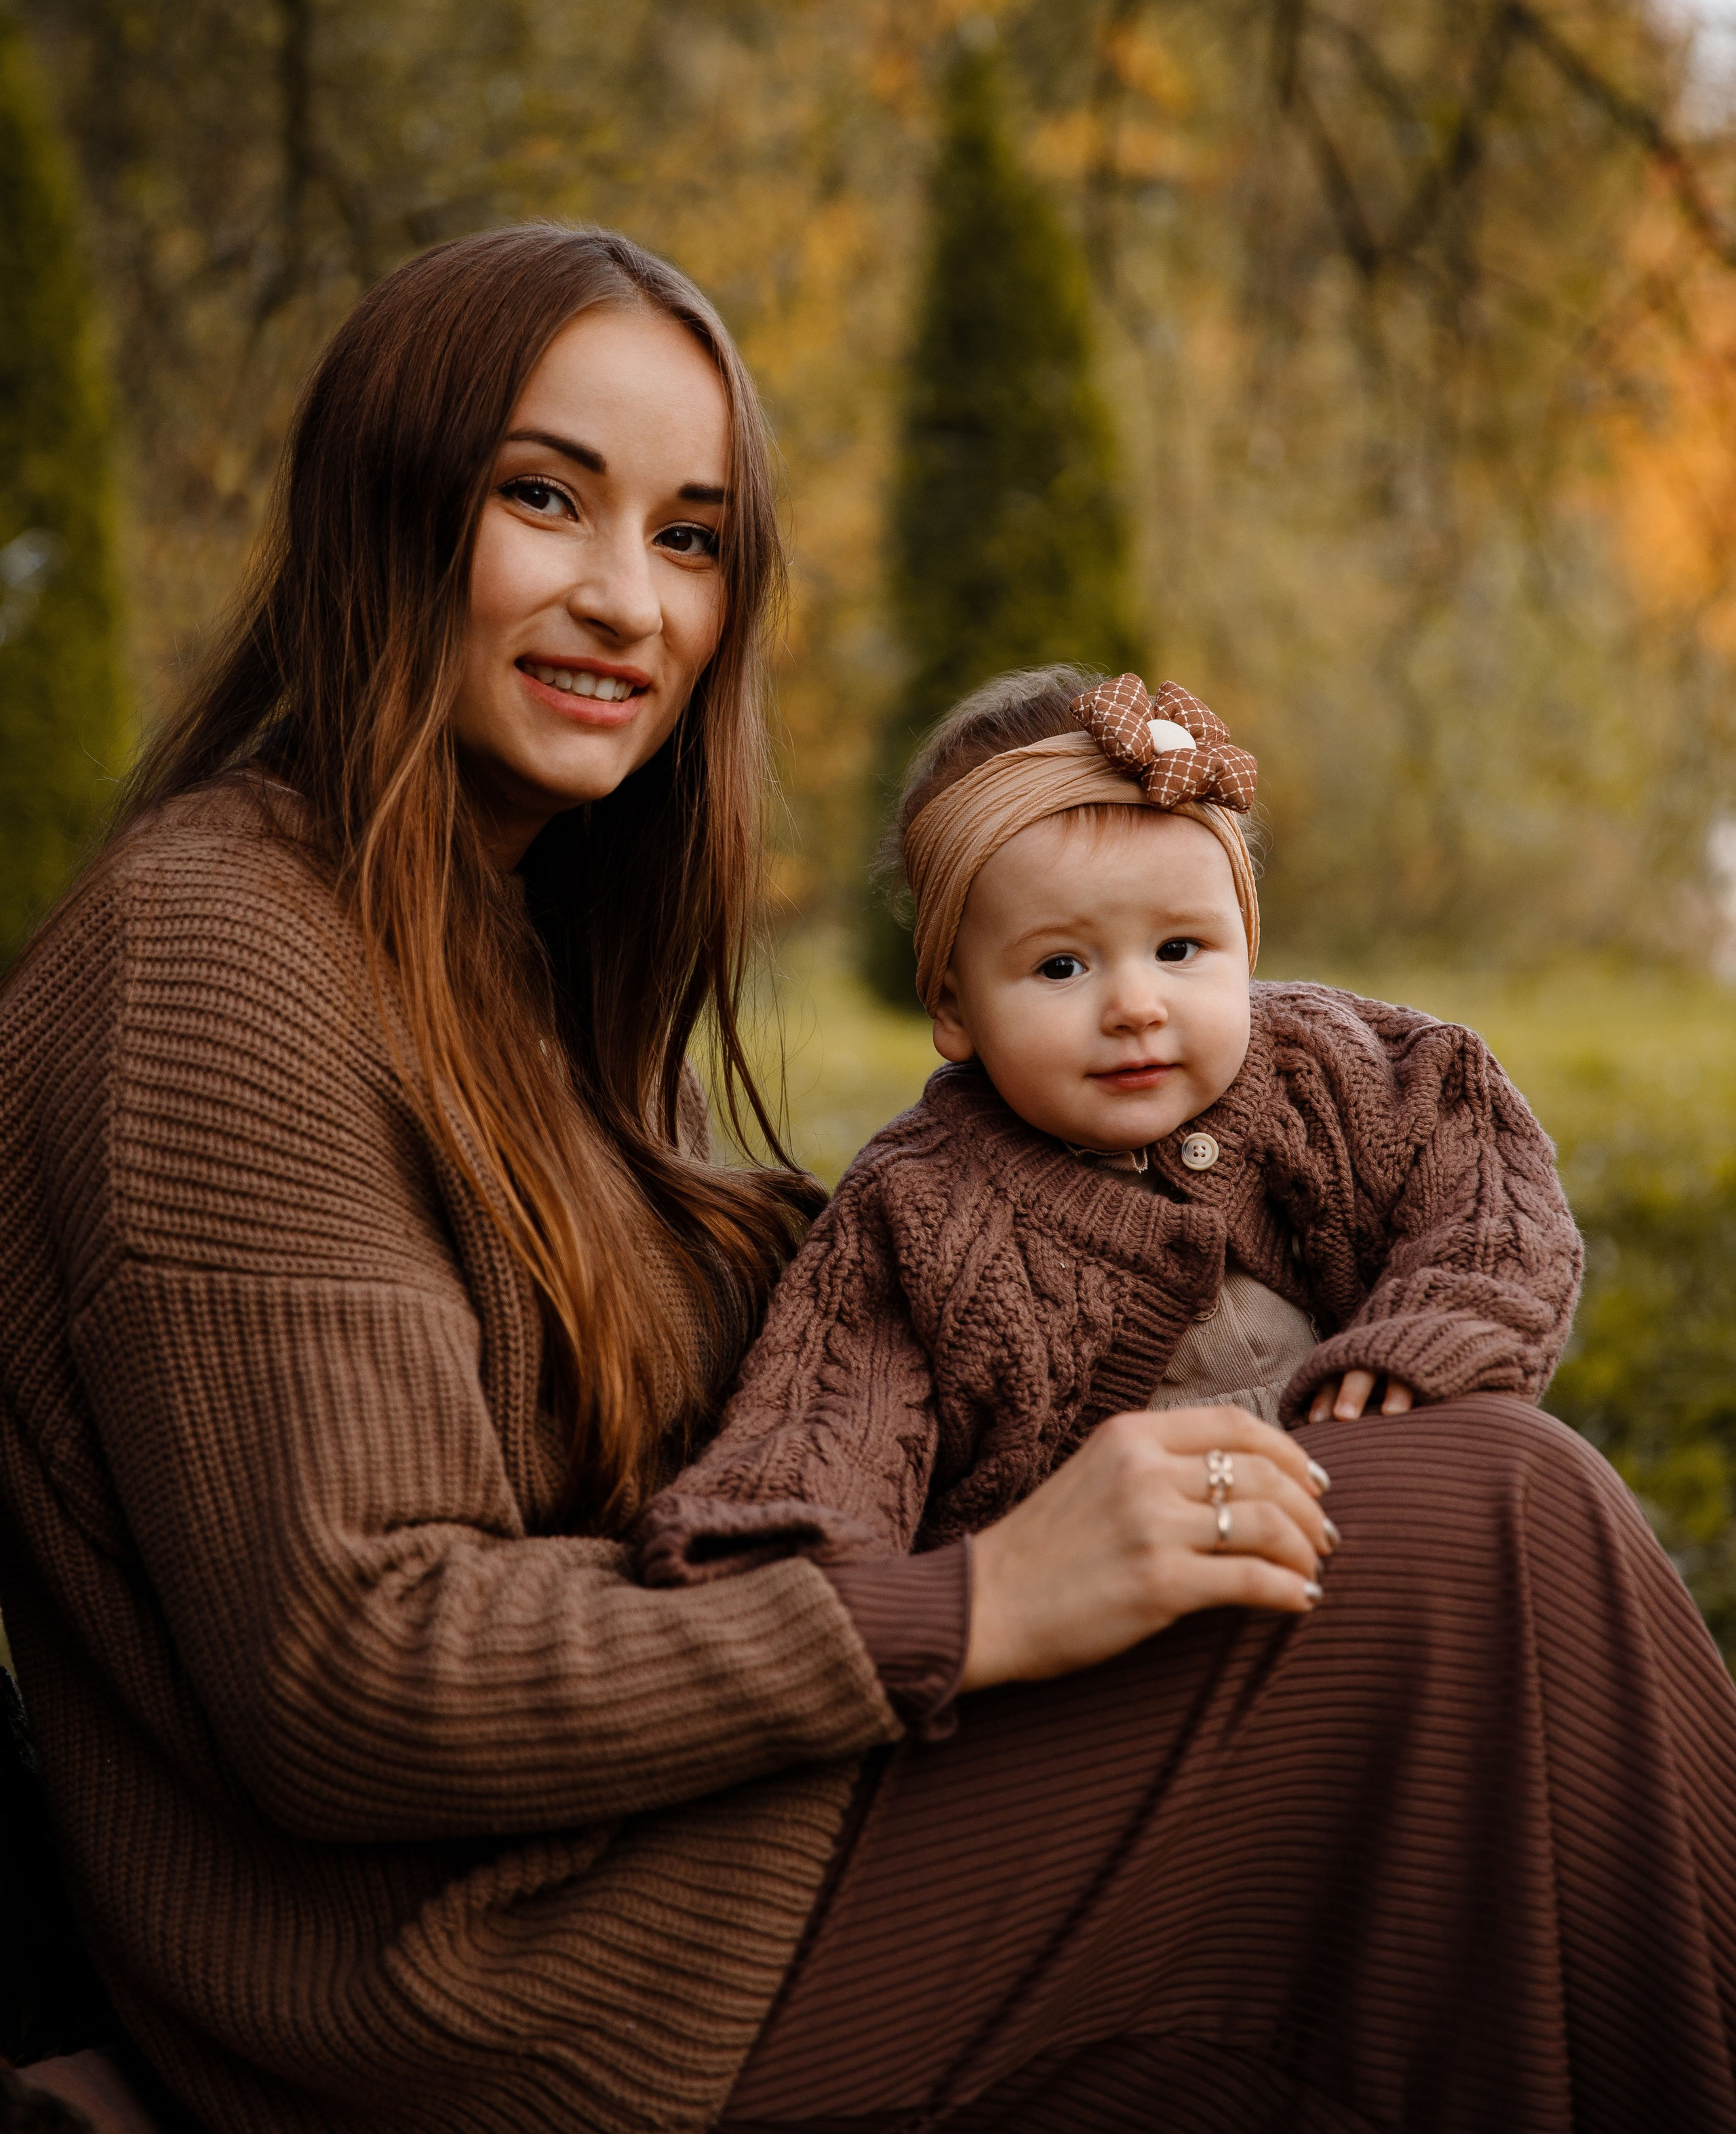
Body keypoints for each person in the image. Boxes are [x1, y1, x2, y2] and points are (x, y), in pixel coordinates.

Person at [0, 224, 1732, 2134]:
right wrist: (983, 1603)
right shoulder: (218, 955)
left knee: (1465, 1607)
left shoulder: (484, 948)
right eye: (545, 498)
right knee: (1477, 1527)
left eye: (690, 537)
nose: (624, 602)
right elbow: (354, 1668)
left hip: (666, 1860)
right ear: (384, 506)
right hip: (500, 1994)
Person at [630, 663, 1583, 1581]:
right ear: (955, 1008)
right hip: (1110, 1622)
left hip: (1370, 1519)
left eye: (1179, 949)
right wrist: (786, 1543)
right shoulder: (919, 1208)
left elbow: (1485, 1195)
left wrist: (1433, 1337)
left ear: (1245, 945)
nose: (1135, 1005)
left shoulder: (1337, 1070)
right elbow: (834, 1411)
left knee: (1533, 1491)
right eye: (1060, 968)